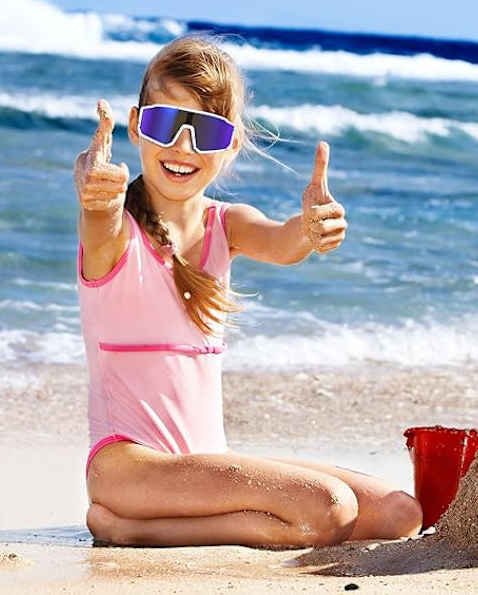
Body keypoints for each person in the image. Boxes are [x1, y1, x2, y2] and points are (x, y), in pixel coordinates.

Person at [75, 34, 422, 549]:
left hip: (205, 465)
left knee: (399, 513)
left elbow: (282, 242)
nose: (183, 146)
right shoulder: (116, 231)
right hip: (127, 467)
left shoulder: (227, 224)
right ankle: (129, 526)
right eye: (166, 123)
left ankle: (140, 528)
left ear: (232, 143)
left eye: (207, 131)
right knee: (328, 508)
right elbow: (98, 221)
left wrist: (311, 229)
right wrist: (96, 198)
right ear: (136, 124)